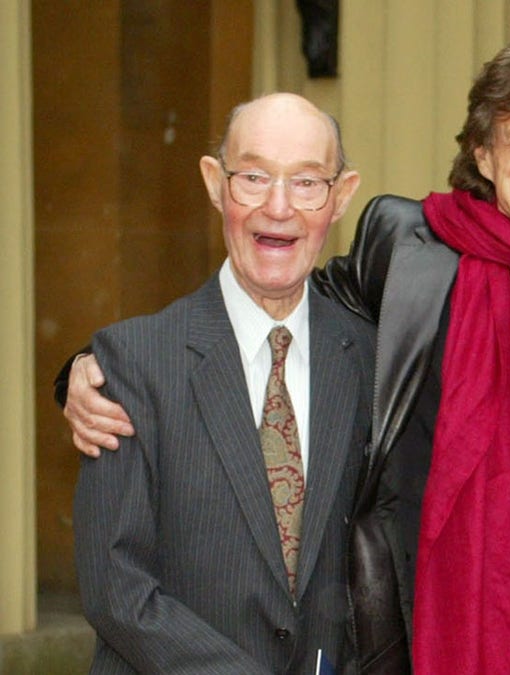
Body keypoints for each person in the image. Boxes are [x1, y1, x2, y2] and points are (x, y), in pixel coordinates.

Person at [61, 33, 510, 674]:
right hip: (429, 636)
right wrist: (86, 372)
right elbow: (277, 292)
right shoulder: (410, 256)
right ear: (484, 155)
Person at [71, 93, 372, 673]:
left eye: (307, 182)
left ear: (341, 196)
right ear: (215, 183)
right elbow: (117, 589)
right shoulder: (131, 364)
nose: (278, 207)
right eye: (254, 177)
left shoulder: (371, 357)